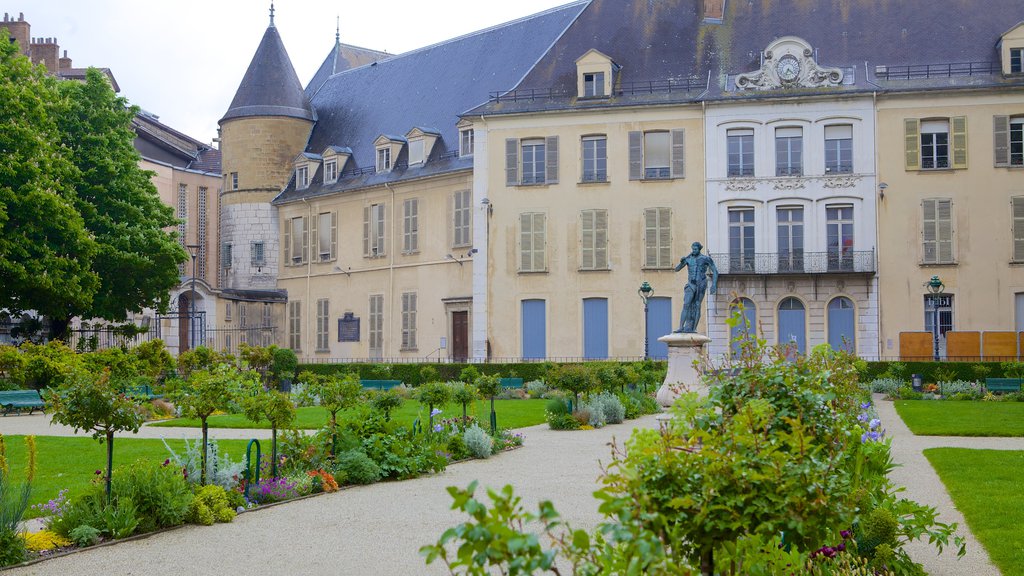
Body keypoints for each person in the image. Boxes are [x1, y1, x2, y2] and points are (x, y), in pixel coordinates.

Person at [674, 242, 718, 333]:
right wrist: (682, 262)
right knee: (686, 304)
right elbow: (677, 269)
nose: (694, 251)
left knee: (697, 305)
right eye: (693, 249)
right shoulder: (688, 259)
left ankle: (694, 329)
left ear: (699, 249)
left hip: (701, 283)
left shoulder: (705, 258)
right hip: (691, 284)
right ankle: (681, 327)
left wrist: (714, 284)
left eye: (695, 249)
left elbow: (715, 271)